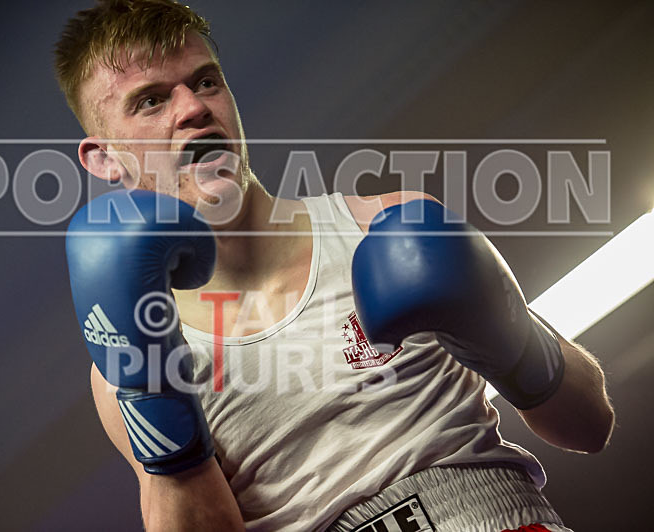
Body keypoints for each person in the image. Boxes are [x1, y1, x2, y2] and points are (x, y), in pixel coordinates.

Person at [55, 1, 615, 530]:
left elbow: (589, 424)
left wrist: (505, 332)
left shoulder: (385, 224)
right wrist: (159, 415)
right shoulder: (124, 362)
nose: (194, 108)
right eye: (151, 101)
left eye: (205, 82)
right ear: (104, 158)